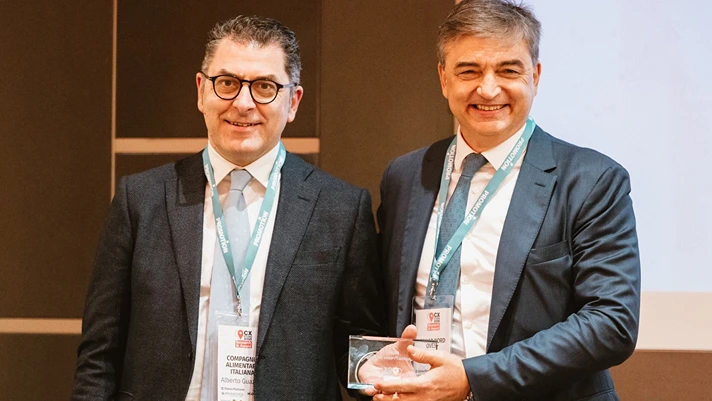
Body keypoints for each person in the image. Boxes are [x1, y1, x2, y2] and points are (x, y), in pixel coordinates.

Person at [71, 15, 383, 401]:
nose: (243, 103)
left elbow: (356, 344)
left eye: (265, 86)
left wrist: (375, 369)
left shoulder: (340, 209)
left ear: (293, 102)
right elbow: (99, 353)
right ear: (201, 91)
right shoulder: (141, 200)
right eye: (227, 83)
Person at [374, 1, 640, 400]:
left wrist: (474, 379)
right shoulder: (405, 176)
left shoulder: (591, 180)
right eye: (469, 71)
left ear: (535, 76)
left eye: (508, 70)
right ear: (443, 79)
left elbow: (611, 322)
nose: (488, 89)